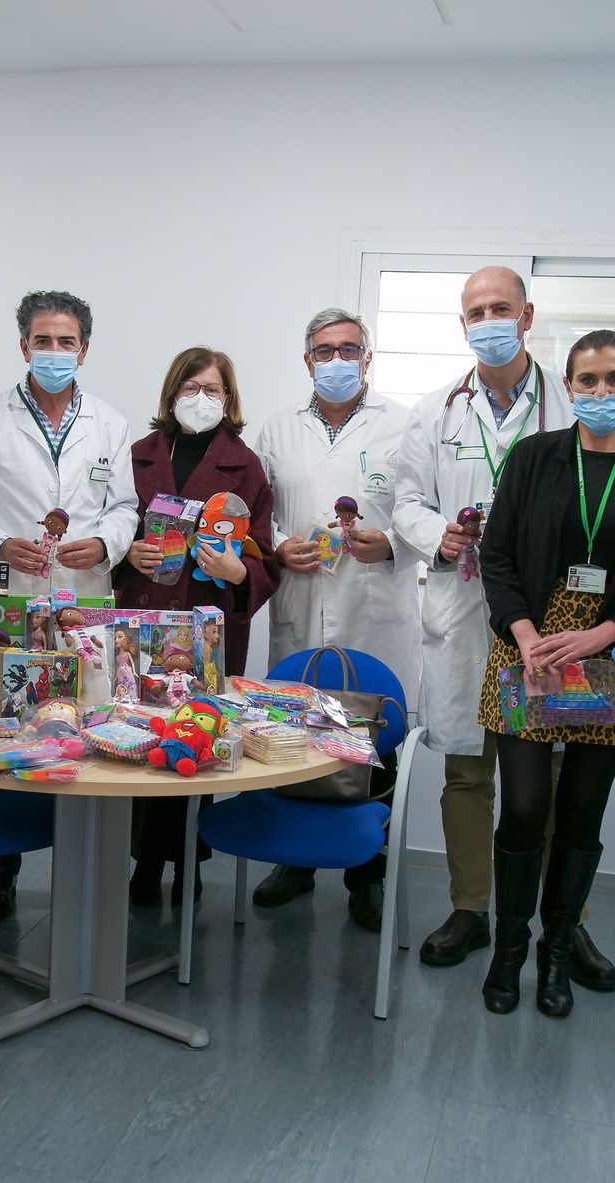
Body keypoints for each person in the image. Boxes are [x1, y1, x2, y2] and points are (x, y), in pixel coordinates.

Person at [392, 267, 615, 987]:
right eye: (474, 311)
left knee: (554, 776)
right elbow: (405, 501)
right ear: (463, 325)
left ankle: (563, 923)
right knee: (467, 770)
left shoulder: (572, 405)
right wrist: (440, 535)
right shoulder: (434, 412)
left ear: (527, 316)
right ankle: (470, 908)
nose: (488, 319)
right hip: (465, 610)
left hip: (554, 619)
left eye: (501, 308)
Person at [474, 329, 615, 1018]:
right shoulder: (534, 456)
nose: (601, 392)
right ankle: (509, 950)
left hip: (611, 646)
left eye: (614, 379)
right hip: (530, 643)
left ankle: (555, 955)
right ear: (568, 386)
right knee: (527, 806)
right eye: (587, 381)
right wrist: (529, 635)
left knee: (581, 816)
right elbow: (497, 555)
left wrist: (604, 633)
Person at [0, 290, 138, 918]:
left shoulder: (109, 422)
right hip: (11, 599)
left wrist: (104, 544)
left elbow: (126, 509)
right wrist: (0, 544)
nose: (55, 352)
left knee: (85, 721)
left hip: (84, 601)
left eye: (67, 341)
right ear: (23, 345)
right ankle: (1, 865)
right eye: (43, 340)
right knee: (11, 724)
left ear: (85, 348)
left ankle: (89, 869)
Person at [252, 307, 420, 930]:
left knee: (374, 743)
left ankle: (366, 875)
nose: (337, 361)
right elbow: (257, 512)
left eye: (349, 350)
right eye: (325, 351)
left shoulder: (404, 426)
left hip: (374, 608)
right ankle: (293, 863)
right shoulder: (277, 429)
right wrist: (276, 546)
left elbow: (421, 510)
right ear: (307, 360)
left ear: (368, 358)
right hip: (302, 604)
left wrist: (395, 543)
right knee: (291, 735)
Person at [117, 347, 280, 903]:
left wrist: (240, 572)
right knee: (141, 738)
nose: (202, 399)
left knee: (197, 736)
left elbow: (266, 558)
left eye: (213, 390)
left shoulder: (247, 466)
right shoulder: (134, 455)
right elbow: (110, 529)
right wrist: (126, 554)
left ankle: (187, 858)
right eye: (191, 388)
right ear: (171, 394)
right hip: (142, 620)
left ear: (230, 400)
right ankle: (144, 862)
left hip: (208, 628)